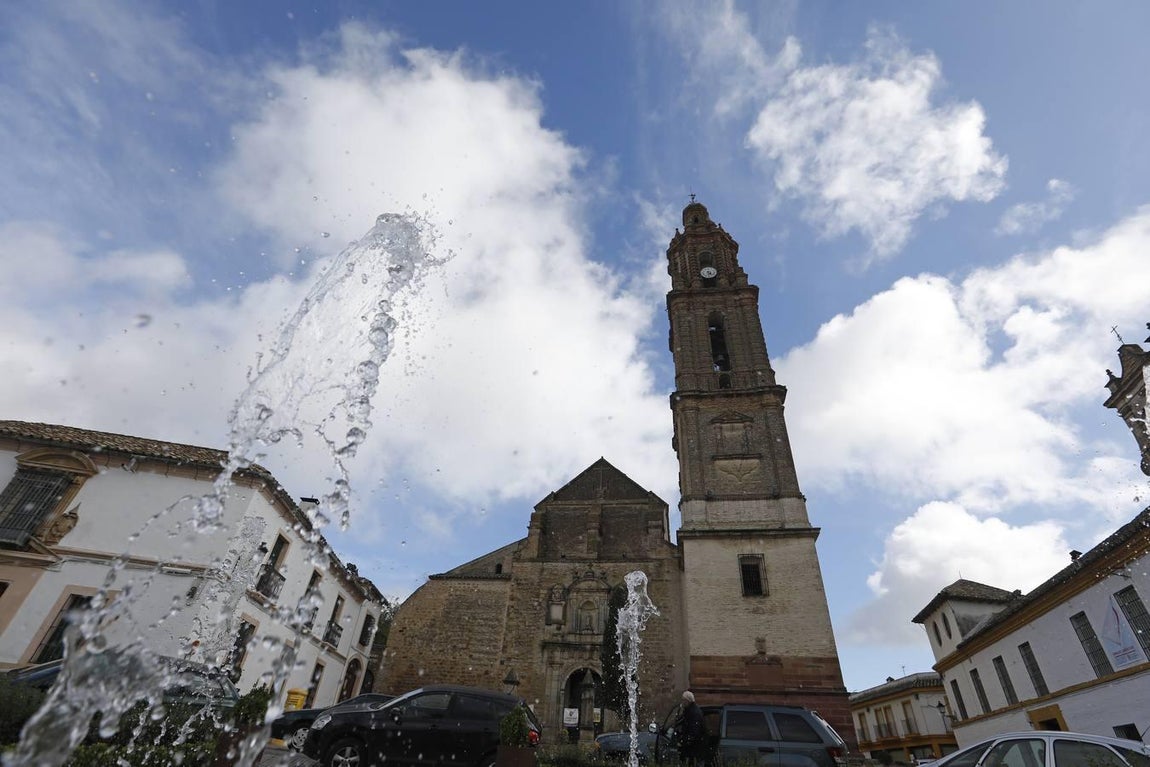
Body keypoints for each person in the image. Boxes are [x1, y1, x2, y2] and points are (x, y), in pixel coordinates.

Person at [674, 690, 708, 767]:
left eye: (683, 700)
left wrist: (684, 741)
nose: (682, 702)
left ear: (687, 701)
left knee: (694, 763)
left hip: (696, 746)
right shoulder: (689, 711)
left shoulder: (694, 713)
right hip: (693, 746)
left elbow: (694, 731)